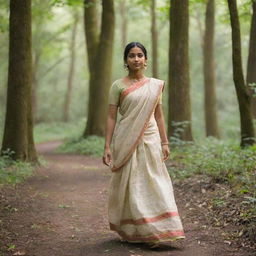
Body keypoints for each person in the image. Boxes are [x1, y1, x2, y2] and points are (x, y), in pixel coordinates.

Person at [103, 42, 185, 247]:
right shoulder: (118, 86)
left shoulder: (154, 85)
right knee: (130, 183)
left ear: (146, 59)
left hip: (150, 137)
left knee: (155, 181)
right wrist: (107, 146)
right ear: (126, 60)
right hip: (126, 138)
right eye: (132, 55)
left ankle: (157, 230)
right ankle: (134, 229)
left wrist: (165, 142)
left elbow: (159, 115)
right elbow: (111, 118)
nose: (136, 59)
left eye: (140, 55)